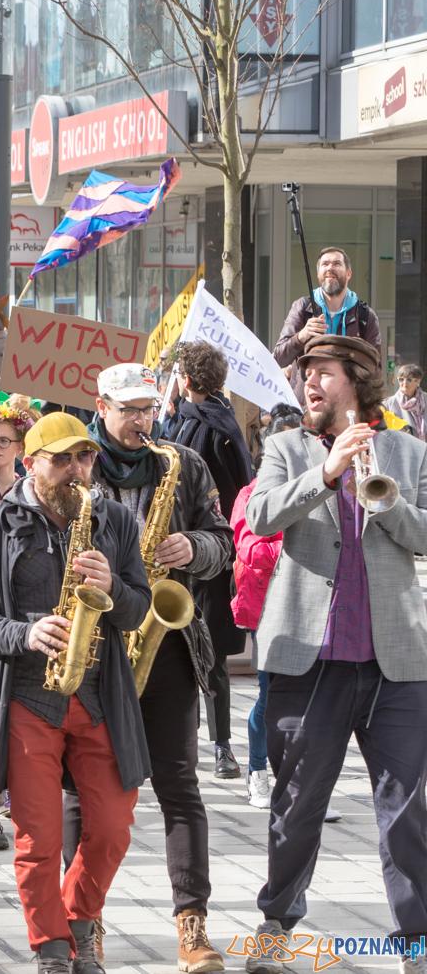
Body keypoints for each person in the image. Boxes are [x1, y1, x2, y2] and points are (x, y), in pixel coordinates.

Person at [241, 334, 427, 974]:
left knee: (406, 813)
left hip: (395, 663)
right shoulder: (286, 447)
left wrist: (389, 500)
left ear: (357, 378)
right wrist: (324, 475)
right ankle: (276, 925)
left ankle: (416, 942)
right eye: (305, 373)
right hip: (310, 658)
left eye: (321, 371)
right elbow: (261, 516)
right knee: (296, 806)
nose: (308, 383)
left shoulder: (409, 450)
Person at [0, 412, 153, 974]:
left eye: (85, 457)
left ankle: (80, 922)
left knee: (112, 829)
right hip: (29, 695)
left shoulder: (114, 520)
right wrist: (25, 633)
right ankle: (51, 948)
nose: (76, 469)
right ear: (30, 463)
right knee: (37, 839)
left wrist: (112, 586)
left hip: (99, 696)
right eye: (61, 459)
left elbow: (140, 608)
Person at [77, 362, 233, 972]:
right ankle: (83, 922)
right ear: (101, 405)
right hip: (94, 643)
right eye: (129, 410)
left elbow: (223, 541)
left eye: (148, 408)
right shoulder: (76, 462)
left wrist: (195, 547)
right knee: (83, 792)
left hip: (165, 647)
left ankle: (191, 922)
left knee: (179, 786)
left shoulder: (182, 464)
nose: (142, 420)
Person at [164, 342, 253, 781]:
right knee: (185, 652)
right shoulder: (195, 419)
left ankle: (220, 746)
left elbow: (235, 492)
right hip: (185, 549)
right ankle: (201, 744)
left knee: (210, 652)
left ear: (185, 379)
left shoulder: (212, 426)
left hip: (210, 552)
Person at [229, 404, 304, 812]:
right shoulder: (251, 492)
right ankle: (257, 771)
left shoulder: (317, 488)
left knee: (309, 699)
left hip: (310, 605)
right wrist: (295, 544)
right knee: (269, 693)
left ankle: (302, 783)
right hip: (267, 609)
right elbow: (249, 548)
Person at [272, 246, 383, 397]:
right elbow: (277, 359)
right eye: (325, 264)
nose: (330, 268)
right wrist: (301, 336)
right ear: (318, 274)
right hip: (307, 403)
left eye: (337, 264)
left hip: (346, 402)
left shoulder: (365, 315)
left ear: (348, 274)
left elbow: (375, 369)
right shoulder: (302, 307)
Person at [384, 362, 425, 437]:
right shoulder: (388, 404)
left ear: (418, 381)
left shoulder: (425, 400)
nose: (404, 383)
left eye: (409, 380)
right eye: (401, 379)